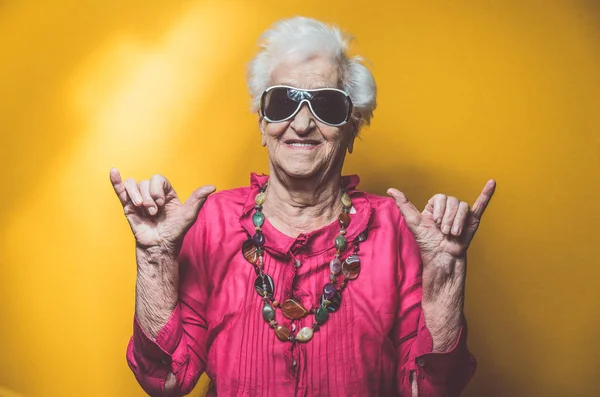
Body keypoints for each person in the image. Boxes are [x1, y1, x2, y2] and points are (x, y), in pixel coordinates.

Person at [110, 16, 494, 397]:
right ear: (262, 123)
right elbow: (165, 381)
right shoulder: (212, 222)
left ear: (352, 128)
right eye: (283, 101)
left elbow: (428, 390)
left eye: (326, 104)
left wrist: (446, 274)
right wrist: (155, 257)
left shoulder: (397, 229)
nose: (303, 123)